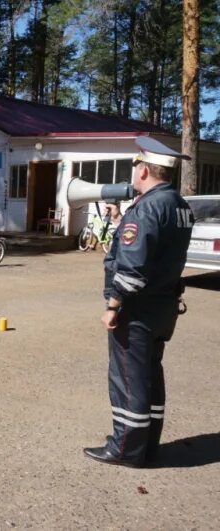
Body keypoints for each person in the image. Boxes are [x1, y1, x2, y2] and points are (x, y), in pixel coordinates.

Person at [83, 137, 194, 468]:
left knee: (128, 379)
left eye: (135, 167)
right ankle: (146, 444)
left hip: (138, 309)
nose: (133, 174)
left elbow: (133, 267)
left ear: (144, 169)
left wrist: (113, 306)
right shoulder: (178, 204)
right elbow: (156, 249)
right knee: (150, 376)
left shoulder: (146, 208)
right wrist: (120, 222)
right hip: (163, 306)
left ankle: (125, 449)